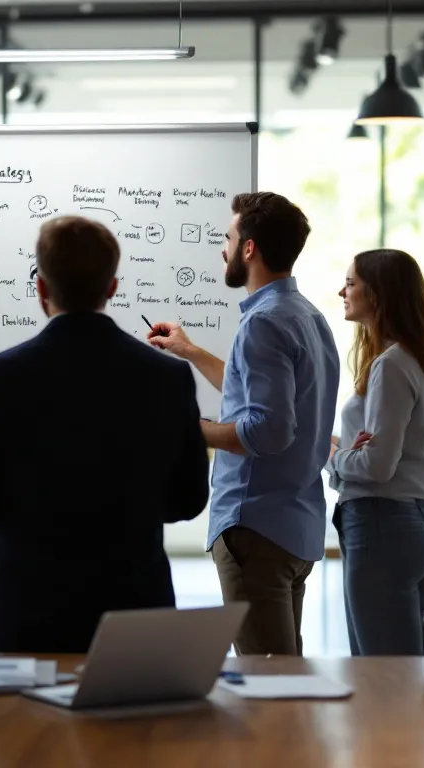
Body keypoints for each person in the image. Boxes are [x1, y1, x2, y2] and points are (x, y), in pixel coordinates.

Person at [0, 215, 209, 653]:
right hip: (131, 612)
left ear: (42, 289)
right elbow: (188, 500)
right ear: (112, 288)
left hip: (19, 611)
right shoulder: (168, 378)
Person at [148, 191, 339, 657]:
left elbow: (267, 431)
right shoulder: (308, 318)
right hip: (292, 526)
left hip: (255, 528)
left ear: (249, 248)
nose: (223, 248)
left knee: (266, 686)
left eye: (228, 238)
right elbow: (251, 395)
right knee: (284, 674)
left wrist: (187, 429)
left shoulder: (263, 324)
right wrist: (190, 351)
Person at [328, 248, 424, 656]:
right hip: (415, 525)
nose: (341, 291)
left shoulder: (390, 365)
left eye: (350, 284)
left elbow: (378, 465)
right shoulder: (417, 358)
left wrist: (333, 456)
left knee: (385, 682)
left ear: (379, 294)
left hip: (382, 526)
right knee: (410, 679)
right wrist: (348, 451)